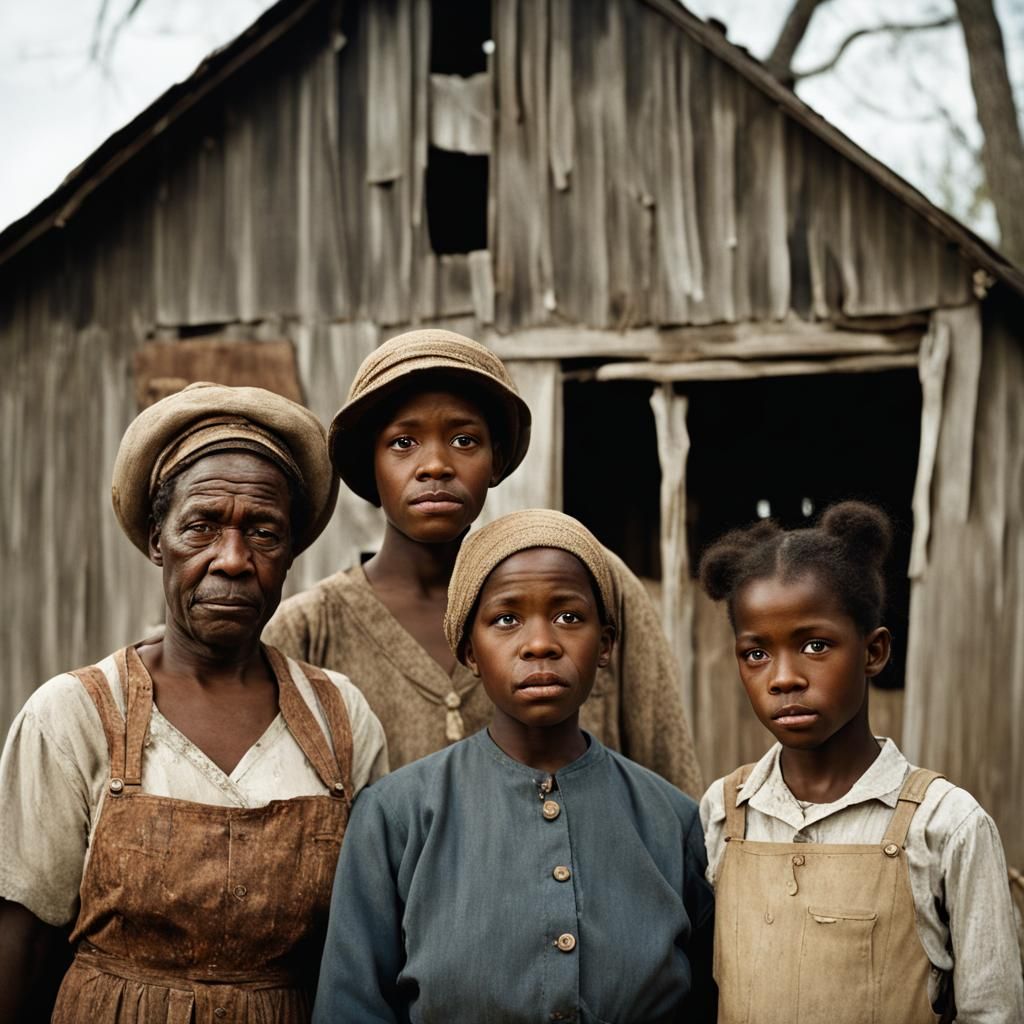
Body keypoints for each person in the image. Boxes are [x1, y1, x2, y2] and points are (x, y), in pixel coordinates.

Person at [0, 382, 388, 1023]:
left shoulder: (340, 719)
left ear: (291, 553)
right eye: (201, 526)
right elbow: (20, 951)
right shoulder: (73, 717)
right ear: (158, 541)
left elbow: (365, 947)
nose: (232, 560)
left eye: (263, 532)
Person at [312, 509, 716, 1023]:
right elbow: (351, 1008)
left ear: (606, 645)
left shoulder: (674, 823)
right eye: (506, 619)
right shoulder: (395, 818)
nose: (540, 643)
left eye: (570, 617)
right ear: (470, 652)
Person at [264, 328, 702, 796]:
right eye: (402, 443)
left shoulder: (591, 579)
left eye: (465, 440)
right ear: (368, 466)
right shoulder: (308, 629)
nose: (435, 465)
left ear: (497, 460)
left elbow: (669, 782)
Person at [697, 501, 1024, 1024]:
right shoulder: (724, 813)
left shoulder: (946, 826)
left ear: (873, 652)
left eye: (816, 645)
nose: (783, 678)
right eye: (756, 653)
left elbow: (994, 1010)